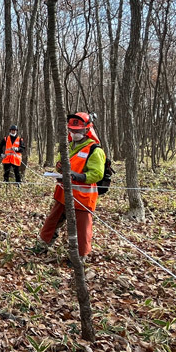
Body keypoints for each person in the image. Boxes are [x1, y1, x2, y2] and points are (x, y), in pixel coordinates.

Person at [32, 112, 105, 264]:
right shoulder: (68, 146)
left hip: (83, 198)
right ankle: (43, 245)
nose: (75, 133)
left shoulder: (94, 150)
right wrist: (59, 168)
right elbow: (62, 163)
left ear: (86, 129)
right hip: (64, 194)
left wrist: (79, 176)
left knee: (82, 229)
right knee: (52, 221)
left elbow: (97, 174)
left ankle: (79, 257)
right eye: (72, 130)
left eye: (78, 130)